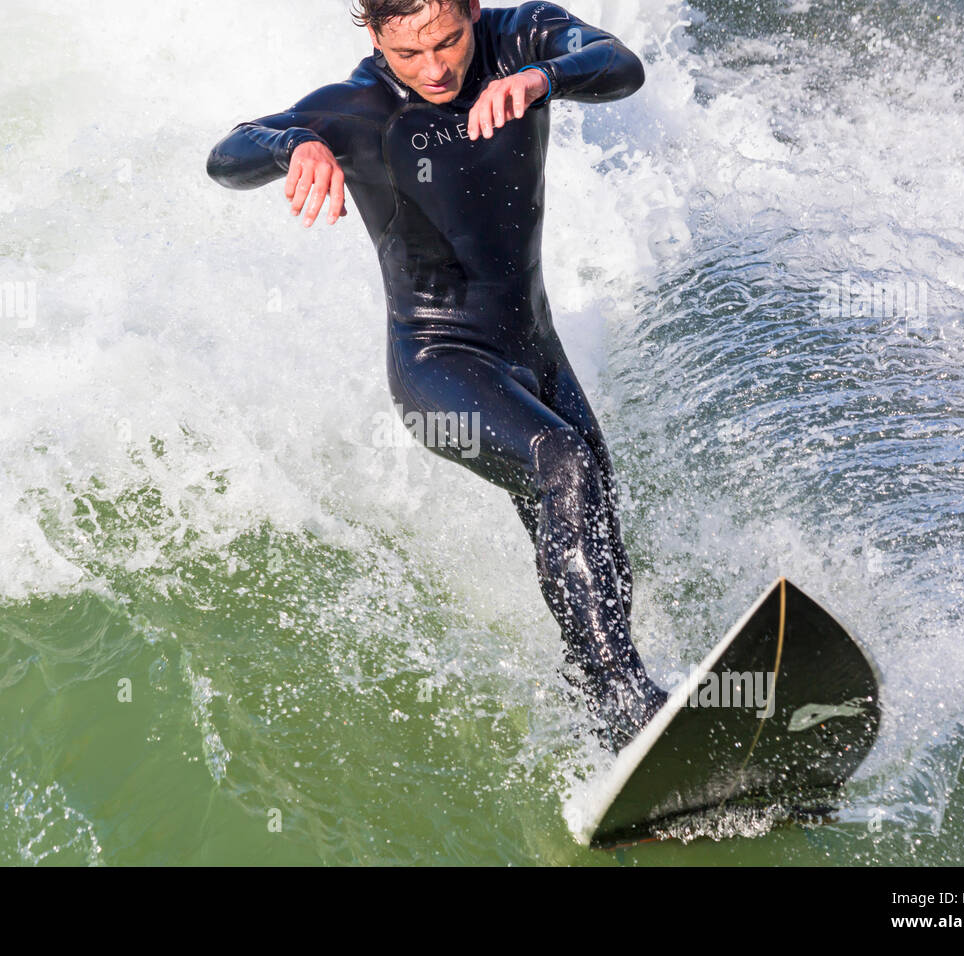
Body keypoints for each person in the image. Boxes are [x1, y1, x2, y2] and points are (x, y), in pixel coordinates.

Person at [206, 0, 667, 752]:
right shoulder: (356, 110)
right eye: (407, 53)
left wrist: (542, 80)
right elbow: (227, 155)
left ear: (473, 10)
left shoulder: (523, 39)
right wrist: (296, 146)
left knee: (596, 516)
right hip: (437, 368)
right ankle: (626, 703)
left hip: (536, 354)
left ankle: (605, 710)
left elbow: (619, 65)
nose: (434, 69)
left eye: (449, 42)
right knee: (563, 464)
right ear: (374, 37)